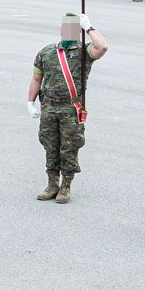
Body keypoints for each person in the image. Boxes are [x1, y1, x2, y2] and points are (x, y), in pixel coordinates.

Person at [26, 12, 108, 203]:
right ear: (61, 29)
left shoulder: (83, 53)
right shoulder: (46, 52)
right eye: (67, 27)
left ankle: (66, 186)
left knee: (69, 148)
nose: (69, 31)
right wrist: (30, 102)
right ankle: (52, 184)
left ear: (79, 31)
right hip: (49, 108)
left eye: (74, 28)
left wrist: (90, 27)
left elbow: (102, 46)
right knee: (50, 146)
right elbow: (36, 79)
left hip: (71, 110)